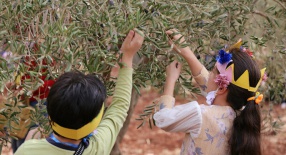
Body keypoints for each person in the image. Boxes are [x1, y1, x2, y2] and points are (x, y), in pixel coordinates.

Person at [14, 29, 144, 155]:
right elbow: (120, 106)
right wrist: (127, 57)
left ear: (50, 115)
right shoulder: (98, 147)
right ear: (95, 121)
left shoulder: (27, 150)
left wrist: (29, 143)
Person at [153, 29, 266, 155]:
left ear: (222, 88)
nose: (209, 74)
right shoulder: (239, 117)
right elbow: (209, 82)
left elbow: (163, 119)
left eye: (212, 71)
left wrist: (170, 79)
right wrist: (186, 52)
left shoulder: (200, 115)